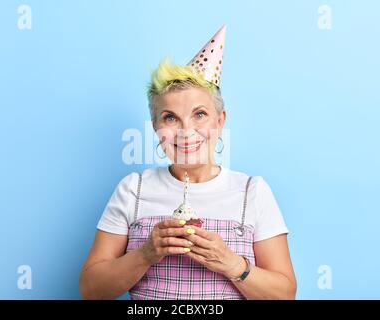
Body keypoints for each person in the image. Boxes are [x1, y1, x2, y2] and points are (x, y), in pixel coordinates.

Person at [79, 25, 296, 300]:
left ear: (220, 121)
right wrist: (146, 254)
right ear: (155, 126)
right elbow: (91, 290)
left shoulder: (252, 191)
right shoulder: (133, 189)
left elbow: (285, 294)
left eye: (200, 114)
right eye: (170, 117)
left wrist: (231, 263)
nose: (185, 131)